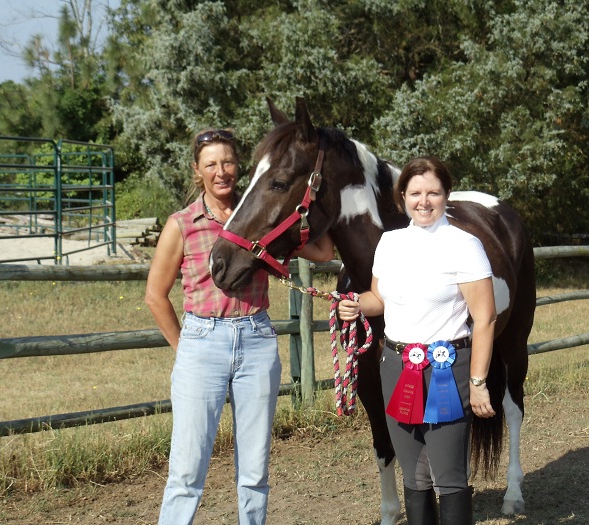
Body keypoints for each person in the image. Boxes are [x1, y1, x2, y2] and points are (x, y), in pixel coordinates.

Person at [145, 128, 334, 525]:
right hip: (202, 341)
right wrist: (187, 348)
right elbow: (155, 295)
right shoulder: (182, 224)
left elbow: (323, 251)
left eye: (228, 162)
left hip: (257, 340)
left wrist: (311, 201)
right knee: (187, 468)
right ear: (197, 171)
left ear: (239, 167)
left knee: (254, 468)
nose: (221, 172)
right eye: (211, 164)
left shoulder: (263, 214)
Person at [338, 156, 496, 525]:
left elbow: (485, 318)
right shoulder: (389, 244)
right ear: (402, 198)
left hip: (447, 369)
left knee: (449, 476)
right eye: (415, 193)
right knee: (414, 475)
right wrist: (357, 303)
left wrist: (477, 383)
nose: (424, 201)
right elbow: (380, 300)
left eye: (433, 193)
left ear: (446, 196)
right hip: (396, 366)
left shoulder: (465, 245)